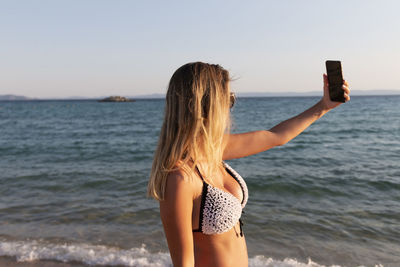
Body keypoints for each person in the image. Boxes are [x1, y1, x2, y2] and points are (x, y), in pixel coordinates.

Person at [147, 62, 350, 267]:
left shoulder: (213, 150)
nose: (230, 107)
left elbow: (276, 136)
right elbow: (184, 263)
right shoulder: (180, 178)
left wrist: (324, 106)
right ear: (207, 103)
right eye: (228, 99)